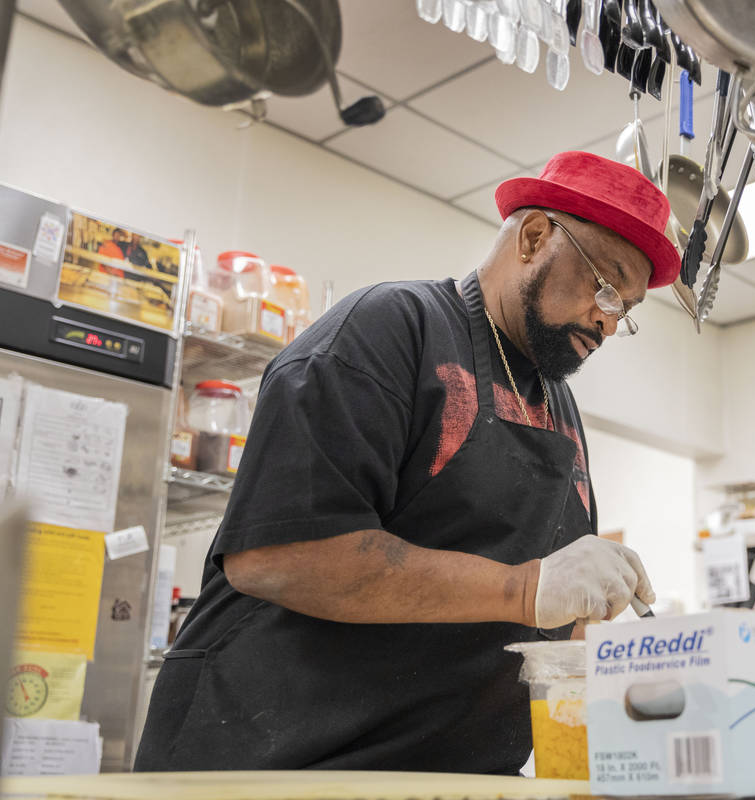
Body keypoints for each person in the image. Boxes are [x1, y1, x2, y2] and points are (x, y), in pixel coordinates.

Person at [134, 151, 680, 773]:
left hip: (447, 776)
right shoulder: (388, 330)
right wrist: (526, 587)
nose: (609, 322)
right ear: (534, 238)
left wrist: (639, 656)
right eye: (605, 287)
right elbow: (279, 555)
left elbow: (544, 621)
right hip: (284, 766)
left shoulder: (559, 406)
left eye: (626, 310)